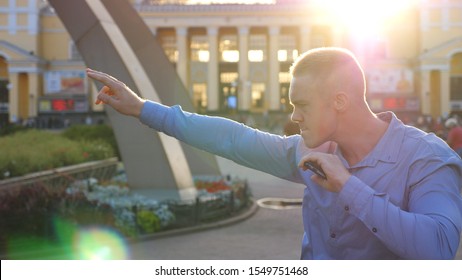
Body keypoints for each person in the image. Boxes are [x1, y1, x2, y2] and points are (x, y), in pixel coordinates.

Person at [87, 47, 462, 260]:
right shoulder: (310, 150)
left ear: (340, 101)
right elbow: (233, 139)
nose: (293, 117)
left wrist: (348, 186)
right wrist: (142, 109)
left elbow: (440, 250)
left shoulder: (426, 159)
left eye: (301, 105)